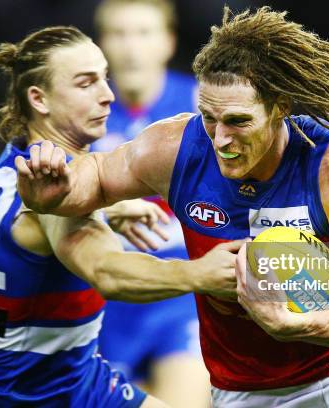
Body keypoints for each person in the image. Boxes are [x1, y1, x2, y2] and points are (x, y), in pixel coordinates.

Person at [16, 7, 329, 407]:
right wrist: (51, 190)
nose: (221, 139)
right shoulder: (174, 150)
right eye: (209, 118)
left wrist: (294, 324)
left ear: (279, 108)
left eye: (238, 121)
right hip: (247, 395)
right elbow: (95, 178)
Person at [0, 26, 243, 407]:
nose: (108, 96)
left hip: (75, 378)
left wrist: (111, 207)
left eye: (105, 78)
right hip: (34, 396)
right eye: (86, 83)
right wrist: (201, 273)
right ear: (39, 99)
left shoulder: (19, 159)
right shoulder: (52, 193)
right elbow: (106, 271)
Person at [91, 0, 208, 405]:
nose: (131, 48)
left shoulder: (204, 111)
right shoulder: (81, 118)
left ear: (168, 41)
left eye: (143, 33)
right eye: (118, 34)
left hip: (181, 301)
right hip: (100, 302)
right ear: (101, 45)